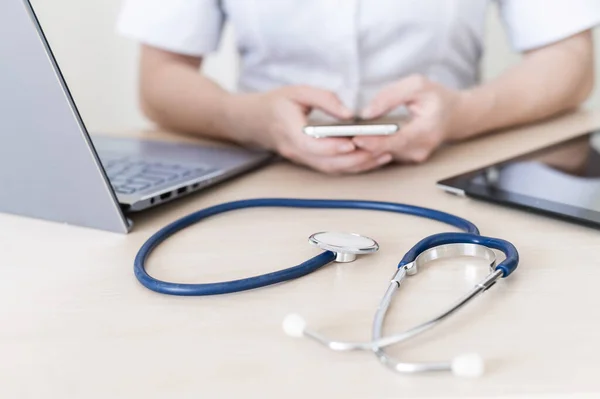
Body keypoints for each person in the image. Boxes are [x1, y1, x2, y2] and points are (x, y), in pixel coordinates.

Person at [117, 0, 599, 174]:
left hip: (454, 165)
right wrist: (249, 119)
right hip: (259, 173)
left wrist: (464, 113)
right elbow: (160, 77)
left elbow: (569, 60)